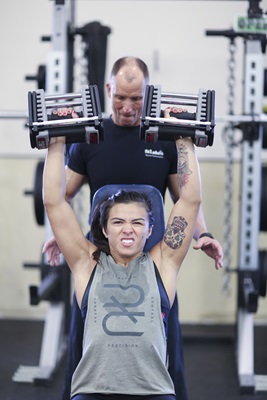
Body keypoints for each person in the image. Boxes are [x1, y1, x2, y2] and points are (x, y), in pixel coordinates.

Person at [43, 56, 223, 400]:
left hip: (152, 260)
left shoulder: (163, 140)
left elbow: (186, 200)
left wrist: (202, 234)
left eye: (136, 98)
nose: (127, 107)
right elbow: (57, 199)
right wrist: (64, 235)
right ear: (109, 90)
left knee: (164, 349)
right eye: (120, 98)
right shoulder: (91, 139)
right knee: (85, 346)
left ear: (148, 94)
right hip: (100, 260)